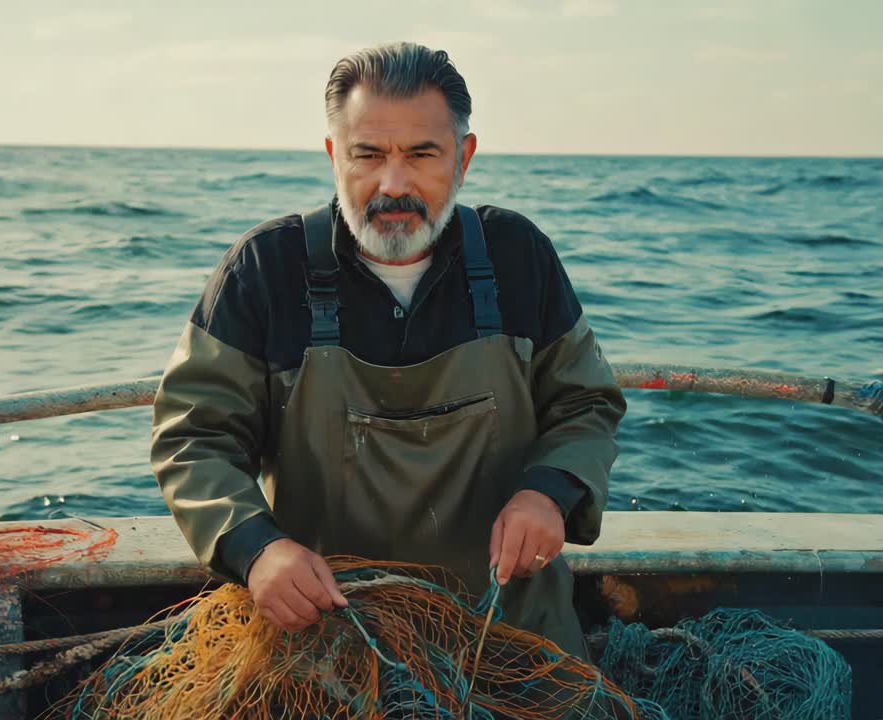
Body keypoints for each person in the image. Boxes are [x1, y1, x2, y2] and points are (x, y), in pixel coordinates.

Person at [149, 41, 625, 659]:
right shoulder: (264, 268)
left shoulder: (518, 254)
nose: (392, 183)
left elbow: (586, 403)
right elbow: (194, 435)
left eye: (422, 154)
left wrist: (550, 492)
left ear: (464, 158)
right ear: (333, 157)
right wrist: (257, 548)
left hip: (511, 637)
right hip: (327, 641)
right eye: (367, 154)